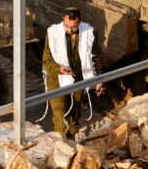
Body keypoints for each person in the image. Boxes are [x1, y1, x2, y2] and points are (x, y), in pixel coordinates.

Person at [42, 7, 104, 137]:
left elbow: (95, 58)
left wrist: (98, 81)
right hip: (56, 78)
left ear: (80, 23)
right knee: (60, 113)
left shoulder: (89, 33)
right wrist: (59, 69)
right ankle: (62, 140)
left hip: (78, 76)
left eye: (74, 27)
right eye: (67, 26)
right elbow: (46, 61)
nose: (70, 30)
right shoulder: (53, 33)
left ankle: (73, 138)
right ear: (62, 21)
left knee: (75, 111)